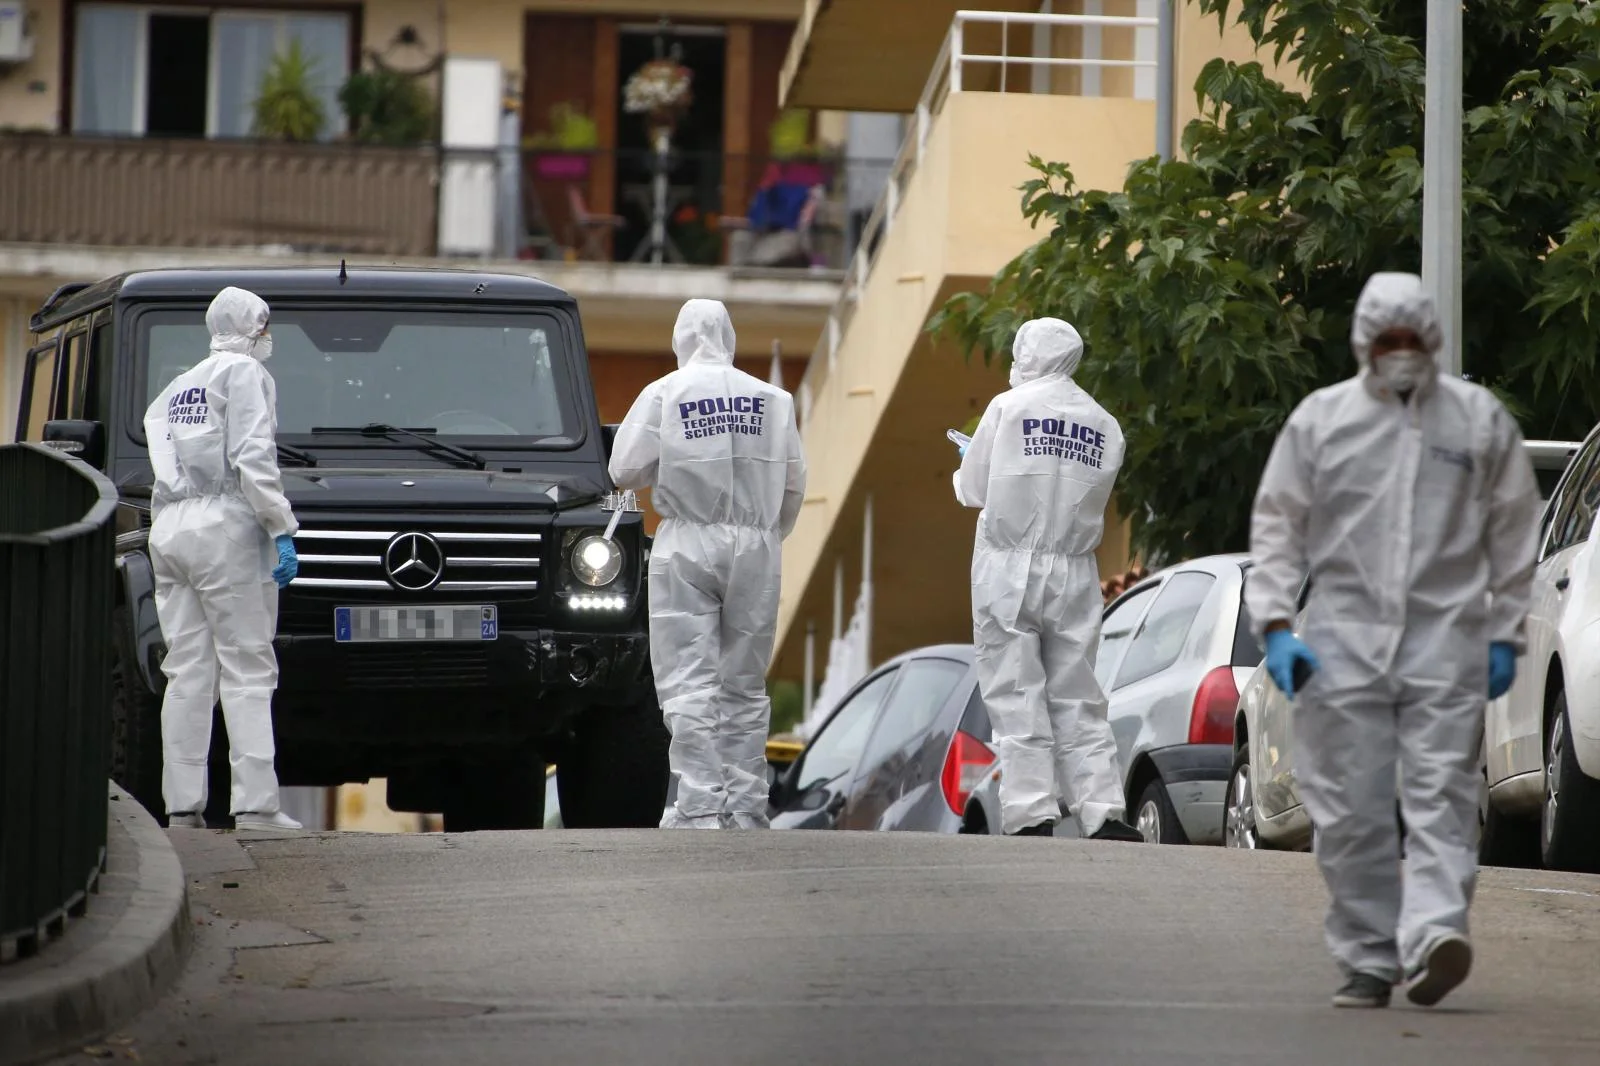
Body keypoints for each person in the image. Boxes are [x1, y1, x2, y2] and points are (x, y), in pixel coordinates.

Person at [1247, 272, 1539, 1009]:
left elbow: (1514, 531)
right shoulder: (1323, 421)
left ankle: (1436, 934)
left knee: (1442, 794)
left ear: (1432, 339)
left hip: (1447, 636)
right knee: (1350, 806)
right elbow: (1278, 526)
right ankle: (1368, 958)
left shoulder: (1476, 421)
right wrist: (1276, 626)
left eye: (1412, 338)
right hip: (1343, 639)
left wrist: (1504, 631)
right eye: (1389, 340)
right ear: (1365, 342)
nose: (1401, 351)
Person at [610, 299, 807, 829]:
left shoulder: (665, 393)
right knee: (744, 681)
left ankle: (699, 803)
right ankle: (745, 804)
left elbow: (623, 470)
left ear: (681, 339)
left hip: (688, 541)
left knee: (689, 678)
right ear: (729, 337)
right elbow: (793, 486)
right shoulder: (775, 400)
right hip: (758, 546)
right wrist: (767, 537)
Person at [953, 317, 1143, 842]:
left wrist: (969, 461)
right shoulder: (1104, 424)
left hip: (1008, 566)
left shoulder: (1007, 408)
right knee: (1079, 694)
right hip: (1074, 568)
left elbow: (974, 490)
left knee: (1016, 690)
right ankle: (1103, 811)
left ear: (1028, 354)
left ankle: (1031, 811)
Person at [144, 286, 302, 833]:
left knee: (186, 670)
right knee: (247, 666)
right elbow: (253, 456)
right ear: (250, 327)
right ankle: (256, 806)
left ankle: (181, 807)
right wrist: (281, 526)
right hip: (227, 529)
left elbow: (164, 464)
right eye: (263, 324)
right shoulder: (245, 374)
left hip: (172, 527)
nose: (267, 335)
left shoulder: (178, 386)